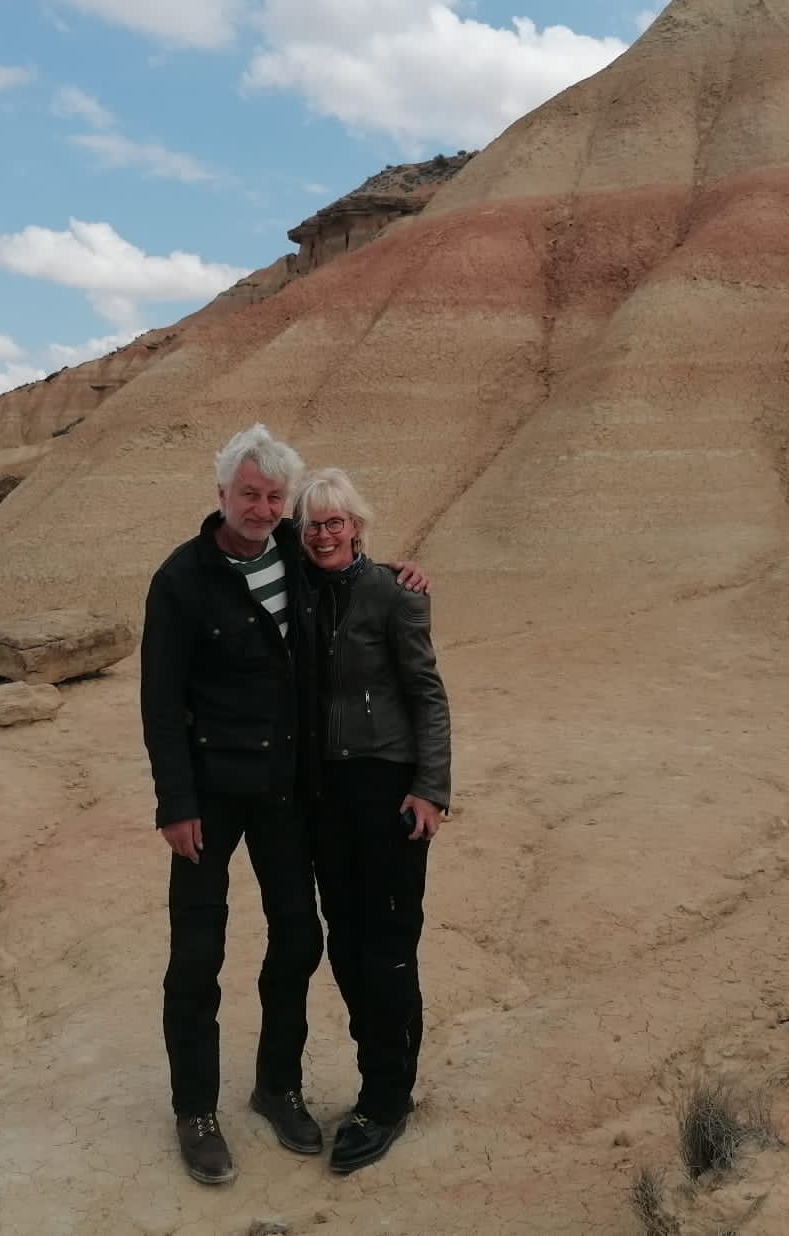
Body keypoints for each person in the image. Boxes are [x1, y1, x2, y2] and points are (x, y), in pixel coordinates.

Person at [139, 425, 424, 1186]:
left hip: (285, 796)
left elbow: (349, 568)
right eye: (250, 495)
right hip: (207, 798)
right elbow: (161, 702)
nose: (262, 509)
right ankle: (195, 1110)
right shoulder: (182, 578)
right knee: (197, 955)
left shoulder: (295, 558)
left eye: (274, 498)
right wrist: (175, 802)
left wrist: (401, 574)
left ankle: (276, 1086)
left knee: (297, 940)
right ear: (221, 495)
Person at [293, 467, 451, 1175]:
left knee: (387, 943)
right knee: (346, 939)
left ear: (356, 525)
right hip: (323, 795)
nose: (324, 533)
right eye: (312, 524)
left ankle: (385, 1098)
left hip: (387, 788)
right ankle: (387, 1074)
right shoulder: (296, 592)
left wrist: (430, 788)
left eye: (335, 521)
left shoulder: (393, 594)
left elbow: (427, 694)